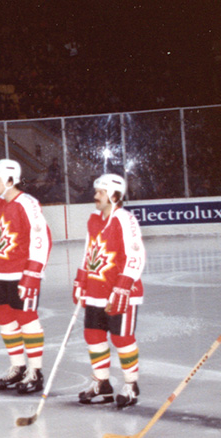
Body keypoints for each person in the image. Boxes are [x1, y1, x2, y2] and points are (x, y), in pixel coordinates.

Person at [73, 174, 145, 408]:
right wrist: (80, 281)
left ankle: (131, 384)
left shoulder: (125, 219)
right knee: (93, 336)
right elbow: (88, 252)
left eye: (100, 192)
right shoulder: (94, 220)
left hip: (120, 291)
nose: (95, 196)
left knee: (121, 338)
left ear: (114, 195)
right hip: (96, 288)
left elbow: (136, 255)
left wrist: (122, 287)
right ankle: (102, 383)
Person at [0, 159, 52, 394]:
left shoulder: (27, 203)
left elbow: (42, 239)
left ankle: (35, 372)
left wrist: (32, 274)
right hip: (4, 272)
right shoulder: (0, 203)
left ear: (10, 180)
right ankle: (18, 367)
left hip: (22, 272)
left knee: (26, 317)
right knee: (3, 316)